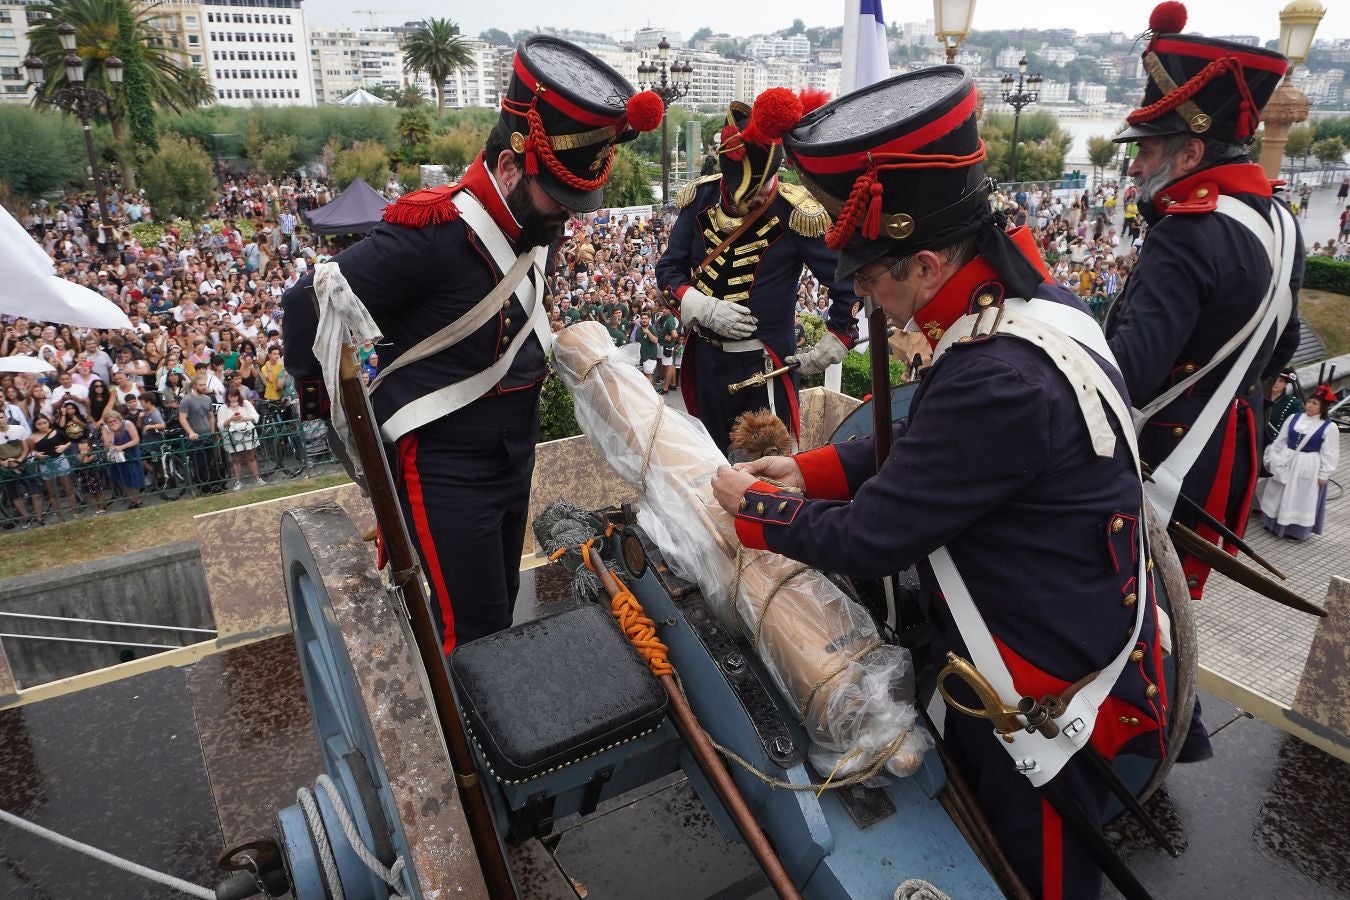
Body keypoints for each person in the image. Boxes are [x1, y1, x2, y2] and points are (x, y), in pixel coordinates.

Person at [710, 67, 1166, 899]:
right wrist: (808, 471)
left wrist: (759, 511)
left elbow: (875, 537)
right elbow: (936, 449)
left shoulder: (996, 376)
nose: (863, 297)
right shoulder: (1028, 308)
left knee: (1038, 879)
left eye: (869, 279)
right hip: (1052, 624)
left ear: (922, 263)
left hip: (1036, 688)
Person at [283, 35, 663, 654]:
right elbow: (308, 301)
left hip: (512, 454)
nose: (567, 216)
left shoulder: (529, 222)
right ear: (510, 167)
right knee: (474, 634)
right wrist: (320, 401)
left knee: (498, 609)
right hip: (445, 466)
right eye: (558, 196)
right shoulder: (432, 232)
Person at [1102, 4, 1300, 762]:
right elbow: (1282, 348)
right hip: (1228, 447)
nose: (1135, 167)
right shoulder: (1278, 221)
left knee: (1122, 592)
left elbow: (1129, 371)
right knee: (1165, 597)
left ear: (1189, 152)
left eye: (1149, 150)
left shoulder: (1186, 232)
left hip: (1168, 451)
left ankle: (1147, 734)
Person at [657, 88, 857, 453]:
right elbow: (669, 269)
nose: (757, 195)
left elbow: (848, 279)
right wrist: (700, 306)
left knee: (767, 467)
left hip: (763, 365)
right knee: (710, 458)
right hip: (705, 359)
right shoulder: (699, 199)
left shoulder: (795, 213)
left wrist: (837, 335)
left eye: (762, 186)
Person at [1260, 384, 1339, 540]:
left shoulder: (1329, 427)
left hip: (1307, 465)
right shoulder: (1294, 418)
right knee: (1278, 492)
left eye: (1315, 403)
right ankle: (1272, 524)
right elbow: (1281, 440)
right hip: (1286, 460)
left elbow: (1330, 453)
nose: (1310, 405)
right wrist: (1271, 458)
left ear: (1322, 407)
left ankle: (1294, 531)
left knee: (1299, 497)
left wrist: (1324, 474)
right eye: (1309, 401)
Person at [217, 385, 263, 490]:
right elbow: (220, 425)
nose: (233, 398)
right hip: (233, 435)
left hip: (247, 433)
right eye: (231, 396)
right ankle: (237, 482)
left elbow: (255, 416)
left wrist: (243, 418)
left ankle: (257, 479)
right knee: (236, 459)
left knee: (251, 456)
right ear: (227, 397)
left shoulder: (245, 403)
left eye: (235, 396)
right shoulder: (223, 408)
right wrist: (230, 420)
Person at [100, 408, 144, 507]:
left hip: (131, 453)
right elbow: (106, 445)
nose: (112, 423)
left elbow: (136, 440)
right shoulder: (105, 428)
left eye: (114, 420)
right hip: (117, 456)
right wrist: (111, 433)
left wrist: (122, 447)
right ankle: (132, 500)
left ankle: (138, 500)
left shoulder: (128, 424)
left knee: (133, 476)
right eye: (110, 422)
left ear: (119, 419)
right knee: (123, 478)